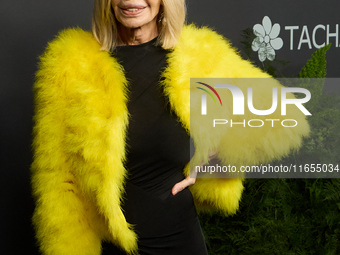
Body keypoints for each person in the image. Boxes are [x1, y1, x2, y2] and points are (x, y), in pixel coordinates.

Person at [31, 0, 310, 254]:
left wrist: (220, 159)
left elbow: (287, 118)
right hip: (108, 244)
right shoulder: (68, 63)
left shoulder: (201, 56)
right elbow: (56, 179)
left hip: (179, 240)